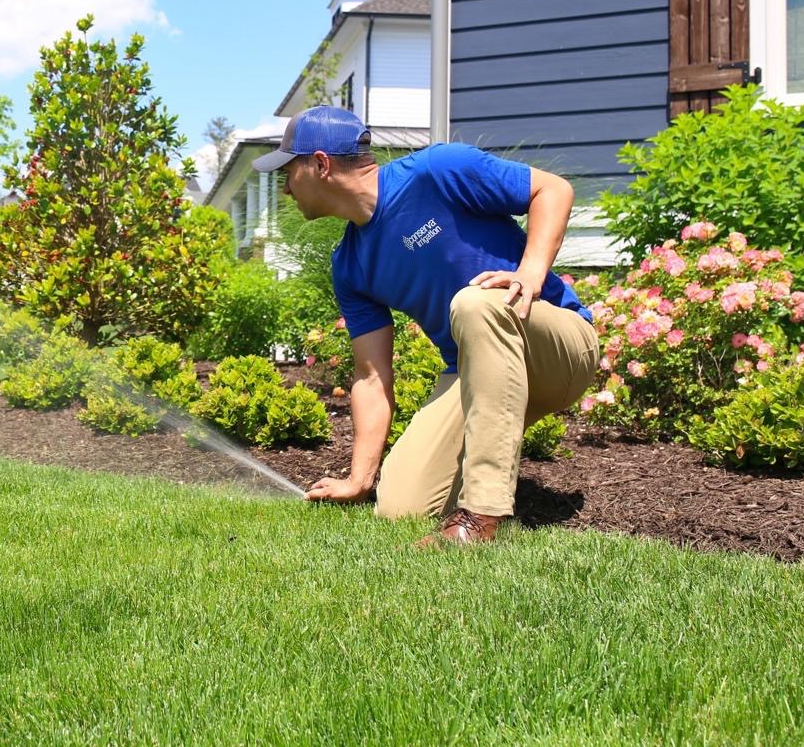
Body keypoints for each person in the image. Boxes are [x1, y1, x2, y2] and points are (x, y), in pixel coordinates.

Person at [253, 105, 599, 545]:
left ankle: (481, 516)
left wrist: (529, 274)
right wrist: (360, 478)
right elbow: (371, 376)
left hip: (559, 347)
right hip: (476, 372)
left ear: (321, 164)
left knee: (475, 305)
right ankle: (435, 494)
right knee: (400, 506)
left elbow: (552, 190)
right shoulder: (350, 264)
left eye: (289, 170)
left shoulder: (437, 170)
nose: (284, 188)